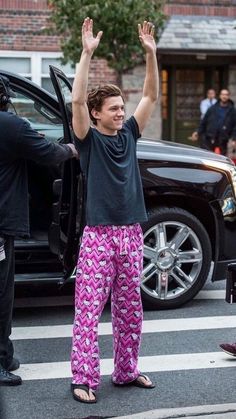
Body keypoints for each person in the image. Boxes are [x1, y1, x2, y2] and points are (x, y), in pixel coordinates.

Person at [70, 17, 159, 403]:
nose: (121, 113)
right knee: (89, 311)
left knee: (130, 310)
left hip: (130, 233)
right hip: (98, 235)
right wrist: (86, 55)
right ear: (95, 113)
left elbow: (151, 97)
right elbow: (75, 99)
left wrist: (152, 55)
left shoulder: (130, 134)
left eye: (122, 107)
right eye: (113, 109)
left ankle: (126, 371)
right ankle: (83, 379)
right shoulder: (88, 140)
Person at [0, 75, 78, 386]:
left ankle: (5, 353)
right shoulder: (10, 125)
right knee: (2, 294)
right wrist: (73, 148)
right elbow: (48, 152)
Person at [191, 89, 236, 155]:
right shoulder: (213, 108)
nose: (224, 96)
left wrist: (234, 138)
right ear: (220, 96)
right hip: (210, 137)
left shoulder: (232, 110)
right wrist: (197, 131)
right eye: (223, 94)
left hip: (224, 139)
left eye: (226, 95)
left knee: (223, 159)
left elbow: (235, 125)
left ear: (228, 96)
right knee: (208, 157)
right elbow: (204, 121)